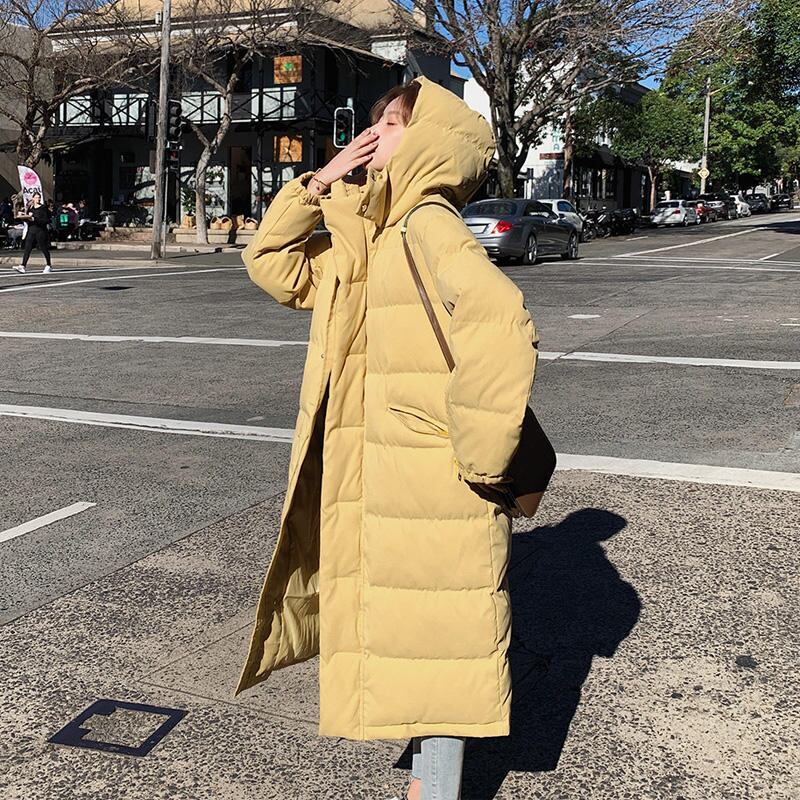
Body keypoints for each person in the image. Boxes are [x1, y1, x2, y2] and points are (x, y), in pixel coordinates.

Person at [237, 78, 537, 800]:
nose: (374, 137)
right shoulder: (370, 233)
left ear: (429, 140)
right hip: (385, 471)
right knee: (413, 634)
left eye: (394, 125)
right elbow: (271, 265)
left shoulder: (426, 220)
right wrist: (320, 182)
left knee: (437, 643)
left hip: (429, 476)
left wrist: (475, 452)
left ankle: (433, 788)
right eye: (372, 125)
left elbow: (500, 321)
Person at [12, 191, 52, 273]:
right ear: (33, 198)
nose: (38, 199)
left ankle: (49, 265)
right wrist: (23, 217)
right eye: (36, 197)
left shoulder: (43, 208)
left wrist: (34, 219)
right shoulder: (30, 208)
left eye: (39, 197)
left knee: (43, 248)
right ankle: (23, 265)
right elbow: (28, 219)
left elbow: (46, 220)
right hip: (31, 230)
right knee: (27, 248)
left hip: (40, 231)